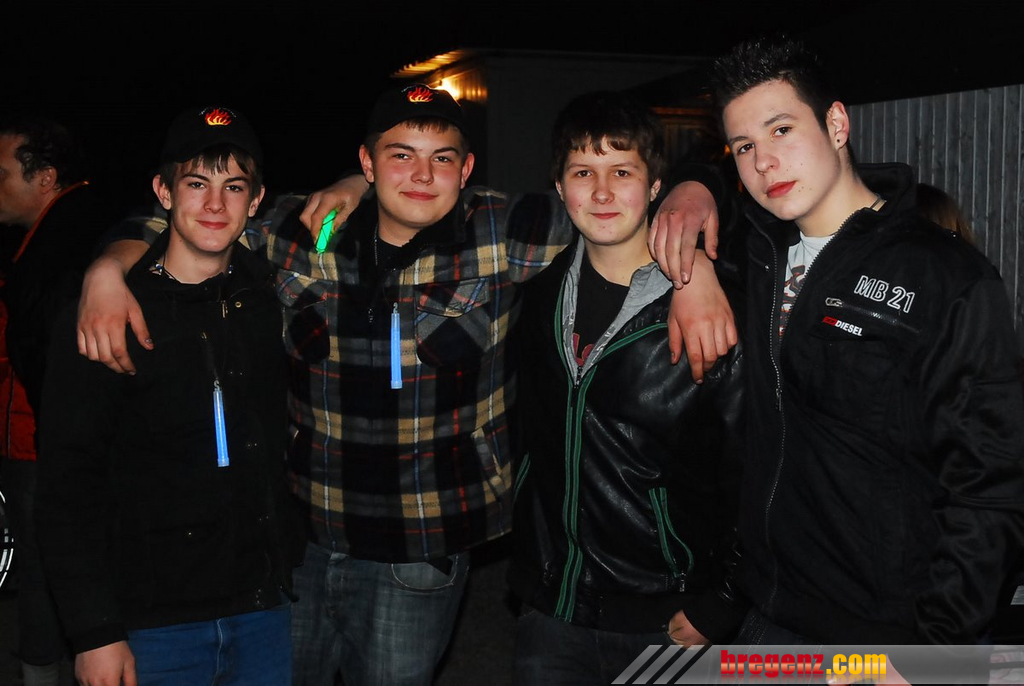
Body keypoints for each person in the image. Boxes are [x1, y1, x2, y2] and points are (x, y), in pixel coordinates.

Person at [74, 84, 734, 685]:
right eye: (400, 156)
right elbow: (190, 216)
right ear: (366, 162)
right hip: (302, 543)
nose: (421, 175)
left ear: (466, 171)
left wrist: (692, 249)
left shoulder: (501, 231)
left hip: (422, 549)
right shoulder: (307, 231)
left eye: (441, 158)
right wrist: (106, 270)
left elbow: (623, 205)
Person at [658, 36, 1024, 646]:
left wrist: (936, 649)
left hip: (886, 635)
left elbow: (991, 487)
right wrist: (690, 258)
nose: (764, 162)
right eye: (745, 146)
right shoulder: (756, 254)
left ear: (835, 124)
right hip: (765, 613)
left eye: (781, 130)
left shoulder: (944, 276)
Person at [35, 105, 298, 685]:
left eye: (234, 187)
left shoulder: (268, 296)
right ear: (163, 191)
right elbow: (66, 484)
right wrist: (94, 631)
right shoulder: (108, 314)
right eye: (197, 184)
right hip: (151, 625)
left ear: (256, 200)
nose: (215, 204)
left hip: (264, 611)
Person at [507, 91, 745, 685]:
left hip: (669, 619)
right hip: (552, 608)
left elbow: (756, 466)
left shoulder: (713, 308)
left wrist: (725, 599)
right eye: (582, 173)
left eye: (622, 172)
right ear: (559, 188)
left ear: (656, 186)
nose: (602, 193)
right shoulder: (536, 296)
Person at [0, 114, 113, 686]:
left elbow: (48, 358)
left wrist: (61, 445)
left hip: (43, 446)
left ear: (44, 176)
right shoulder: (54, 233)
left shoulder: (66, 242)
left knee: (46, 570)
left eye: (1, 173)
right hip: (37, 440)